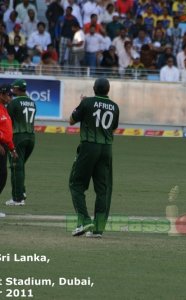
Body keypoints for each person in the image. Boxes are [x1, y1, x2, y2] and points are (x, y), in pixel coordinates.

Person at [69, 78, 119, 238]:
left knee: (76, 184)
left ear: (94, 88)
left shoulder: (87, 102)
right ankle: (98, 229)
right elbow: (113, 128)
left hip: (89, 147)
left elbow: (71, 120)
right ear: (108, 90)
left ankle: (84, 221)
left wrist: (82, 104)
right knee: (103, 189)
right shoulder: (114, 106)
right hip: (107, 149)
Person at [6, 79, 36, 206]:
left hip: (18, 137)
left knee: (15, 167)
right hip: (31, 138)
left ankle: (17, 198)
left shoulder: (13, 103)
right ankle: (22, 192)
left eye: (13, 89)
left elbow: (7, 121)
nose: (11, 91)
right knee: (20, 166)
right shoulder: (32, 102)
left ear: (17, 89)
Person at [0, 84, 18, 216]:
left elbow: (7, 132)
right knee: (1, 176)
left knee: (2, 176)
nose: (11, 98)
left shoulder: (4, 110)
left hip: (4, 147)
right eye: (9, 95)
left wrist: (12, 149)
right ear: (1, 95)